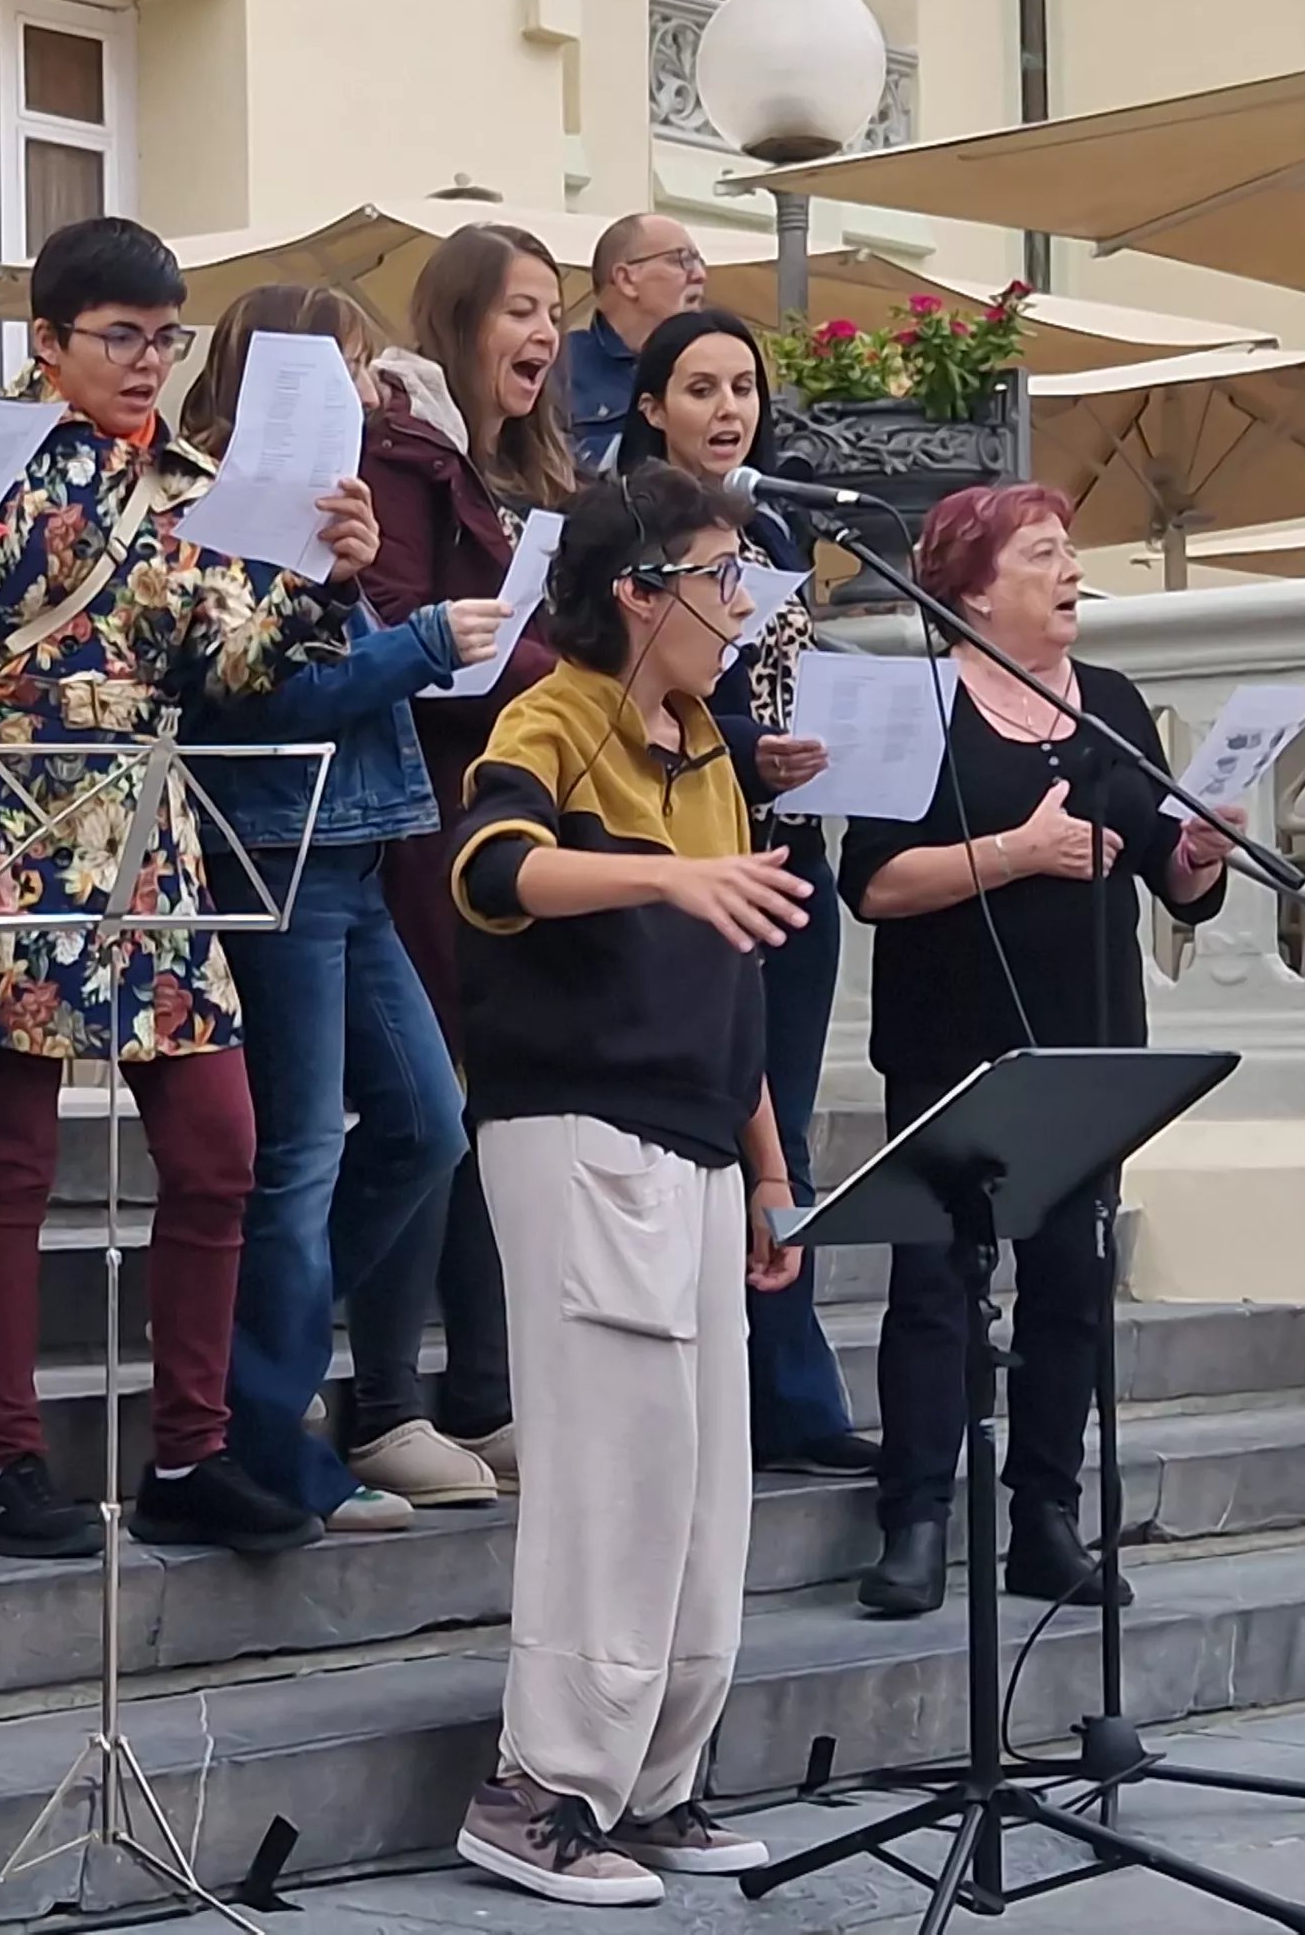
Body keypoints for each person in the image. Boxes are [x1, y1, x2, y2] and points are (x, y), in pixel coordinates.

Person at [0, 216, 380, 1563]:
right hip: (9, 832)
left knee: (220, 1150)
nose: (148, 362)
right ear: (47, 343)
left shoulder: (198, 488)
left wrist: (329, 581)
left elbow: (235, 668)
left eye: (166, 338)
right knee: (13, 1164)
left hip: (153, 841)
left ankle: (192, 1452)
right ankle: (2, 1466)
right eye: (120, 337)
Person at [445, 461, 809, 1909]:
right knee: (613, 1468)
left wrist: (773, 1169)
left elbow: (735, 968)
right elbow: (492, 869)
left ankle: (651, 1784)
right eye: (722, 579)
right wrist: (660, 878)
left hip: (701, 1139)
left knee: (704, 1479)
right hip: (580, 1131)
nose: (741, 608)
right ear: (637, 594)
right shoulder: (548, 717)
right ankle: (536, 1789)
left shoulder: (707, 741)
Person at [840, 483, 1235, 1621]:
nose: (1070, 572)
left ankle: (1045, 1518)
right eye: (1043, 553)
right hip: (951, 1041)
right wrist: (1017, 850)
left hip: (1093, 1038)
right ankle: (915, 1519)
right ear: (969, 584)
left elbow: (1171, 875)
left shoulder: (1110, 701)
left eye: (1071, 552)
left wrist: (1200, 850)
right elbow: (872, 881)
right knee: (935, 1287)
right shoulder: (918, 702)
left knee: (1072, 1278)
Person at [176, 286, 506, 1531]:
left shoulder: (317, 507)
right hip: (280, 853)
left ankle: (264, 1358)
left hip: (356, 850)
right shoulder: (217, 504)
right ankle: (268, 1427)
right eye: (356, 369)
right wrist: (417, 638)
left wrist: (363, 585)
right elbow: (259, 702)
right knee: (300, 1156)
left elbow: (323, 670)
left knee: (426, 1123)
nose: (376, 396)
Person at [614, 308, 879, 1480]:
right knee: (695, 1123)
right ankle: (707, 1382)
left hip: (786, 853)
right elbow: (622, 689)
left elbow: (776, 679)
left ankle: (793, 1392)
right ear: (649, 405)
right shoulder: (622, 527)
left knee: (786, 1126)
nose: (728, 410)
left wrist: (817, 746)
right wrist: (738, 741)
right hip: (677, 853)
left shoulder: (771, 524)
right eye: (701, 388)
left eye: (744, 388)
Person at [358, 221, 584, 1496]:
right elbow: (391, 624)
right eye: (519, 311)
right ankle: (385, 1401)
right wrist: (572, 677)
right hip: (426, 815)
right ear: (458, 321)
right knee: (429, 1110)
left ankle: (485, 1391)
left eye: (552, 314)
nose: (543, 336)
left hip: (517, 814)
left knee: (495, 1105)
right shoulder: (402, 458)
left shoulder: (532, 478)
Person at [563, 214, 706, 474]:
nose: (700, 274)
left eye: (699, 261)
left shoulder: (712, 366)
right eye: (681, 260)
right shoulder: (558, 365)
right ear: (627, 280)